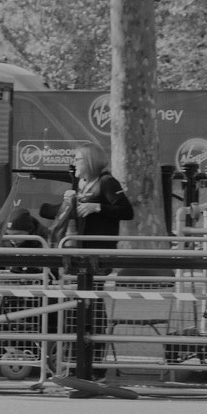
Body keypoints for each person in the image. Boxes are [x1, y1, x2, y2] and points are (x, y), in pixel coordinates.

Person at [39, 142, 134, 381]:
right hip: (76, 253)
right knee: (79, 305)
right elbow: (56, 212)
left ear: (91, 161)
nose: (74, 163)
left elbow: (127, 211)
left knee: (94, 304)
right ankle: (76, 360)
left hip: (98, 254)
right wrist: (63, 204)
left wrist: (97, 207)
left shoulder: (107, 183)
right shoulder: (77, 184)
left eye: (79, 159)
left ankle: (95, 363)